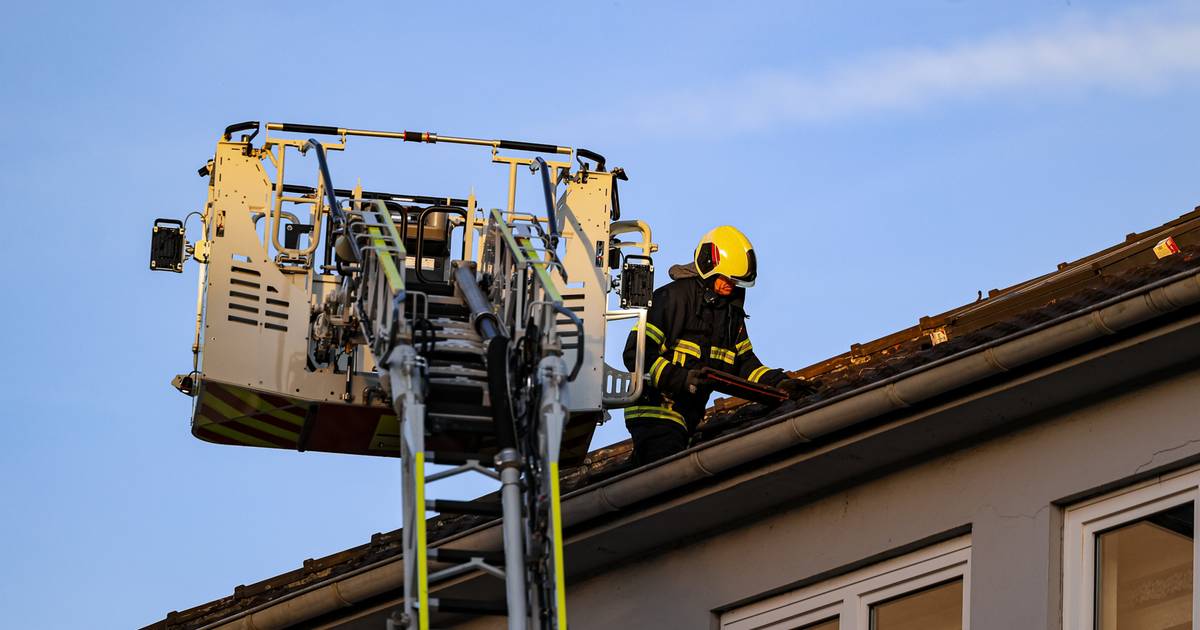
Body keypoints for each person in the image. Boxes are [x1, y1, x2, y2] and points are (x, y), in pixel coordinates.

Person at [622, 226, 817, 466]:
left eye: (736, 281)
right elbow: (637, 353)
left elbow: (745, 365)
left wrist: (779, 382)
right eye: (726, 278)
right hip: (655, 411)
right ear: (709, 268)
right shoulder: (672, 298)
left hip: (687, 419)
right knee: (667, 474)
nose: (731, 285)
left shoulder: (729, 315)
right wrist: (682, 379)